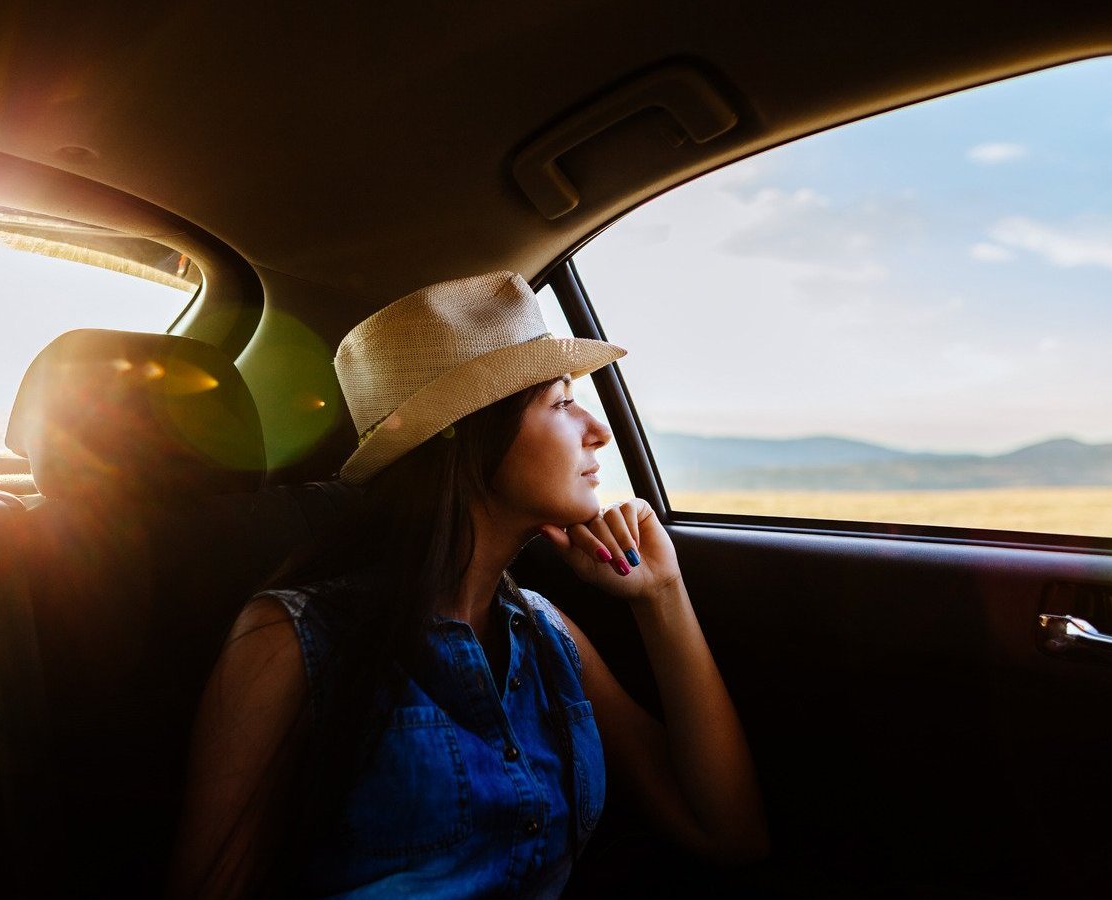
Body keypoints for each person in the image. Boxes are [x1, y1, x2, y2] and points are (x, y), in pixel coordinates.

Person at [171, 271, 767, 898]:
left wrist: (661, 596)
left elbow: (728, 835)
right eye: (562, 402)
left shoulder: (545, 633)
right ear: (467, 427)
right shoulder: (292, 641)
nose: (599, 430)